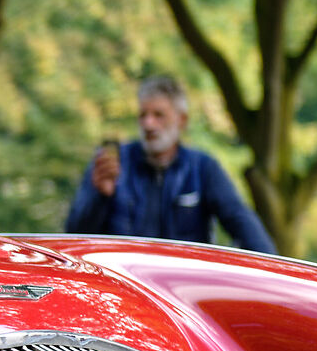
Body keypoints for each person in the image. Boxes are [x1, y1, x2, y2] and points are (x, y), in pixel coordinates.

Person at [63, 73, 276, 253]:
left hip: (181, 288)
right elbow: (72, 238)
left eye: (159, 115)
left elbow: (243, 223)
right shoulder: (111, 165)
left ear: (182, 120)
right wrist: (100, 197)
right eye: (143, 115)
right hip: (122, 287)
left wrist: (273, 276)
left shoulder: (202, 169)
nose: (148, 124)